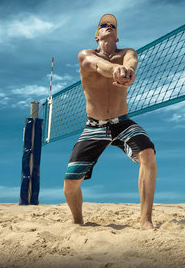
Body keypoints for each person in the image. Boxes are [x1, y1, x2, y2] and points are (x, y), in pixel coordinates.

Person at [63, 13, 157, 230]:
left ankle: (145, 220)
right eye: (103, 25)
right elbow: (97, 66)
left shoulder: (127, 53)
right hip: (94, 126)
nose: (108, 27)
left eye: (112, 26)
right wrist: (117, 71)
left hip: (122, 123)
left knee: (148, 154)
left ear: (117, 37)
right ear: (97, 36)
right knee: (70, 184)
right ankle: (77, 220)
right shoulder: (85, 55)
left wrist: (129, 71)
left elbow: (131, 61)